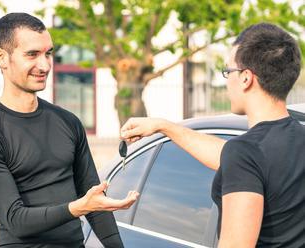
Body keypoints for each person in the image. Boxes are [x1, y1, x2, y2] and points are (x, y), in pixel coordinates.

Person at [121, 23, 304, 247]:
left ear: (246, 78)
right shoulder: (287, 141)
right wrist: (165, 127)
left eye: (228, 72)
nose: (227, 81)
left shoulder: (246, 153)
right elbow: (236, 158)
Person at [0, 13, 139, 248]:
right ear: (2, 57)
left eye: (48, 53)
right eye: (32, 54)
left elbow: (95, 202)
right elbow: (16, 220)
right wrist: (79, 207)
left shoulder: (68, 122)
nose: (44, 65)